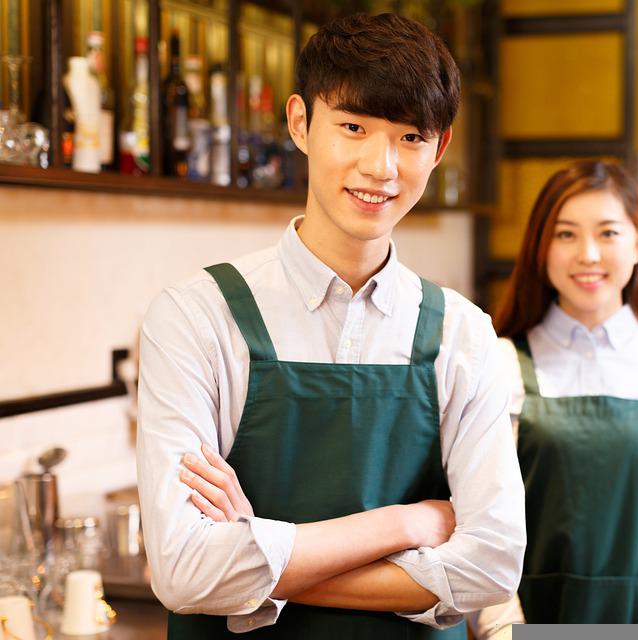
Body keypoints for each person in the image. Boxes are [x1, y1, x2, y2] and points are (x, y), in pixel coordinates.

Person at [136, 14, 525, 639]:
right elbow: (182, 572)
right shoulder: (196, 316)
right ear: (299, 123)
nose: (381, 167)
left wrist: (259, 558)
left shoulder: (464, 334)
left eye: (409, 138)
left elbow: (494, 567)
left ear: (440, 149)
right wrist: (404, 526)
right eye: (353, 127)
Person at [469, 161, 638, 635]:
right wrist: (505, 631)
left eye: (608, 233)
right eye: (566, 235)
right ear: (541, 247)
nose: (587, 254)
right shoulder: (497, 364)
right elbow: (478, 527)